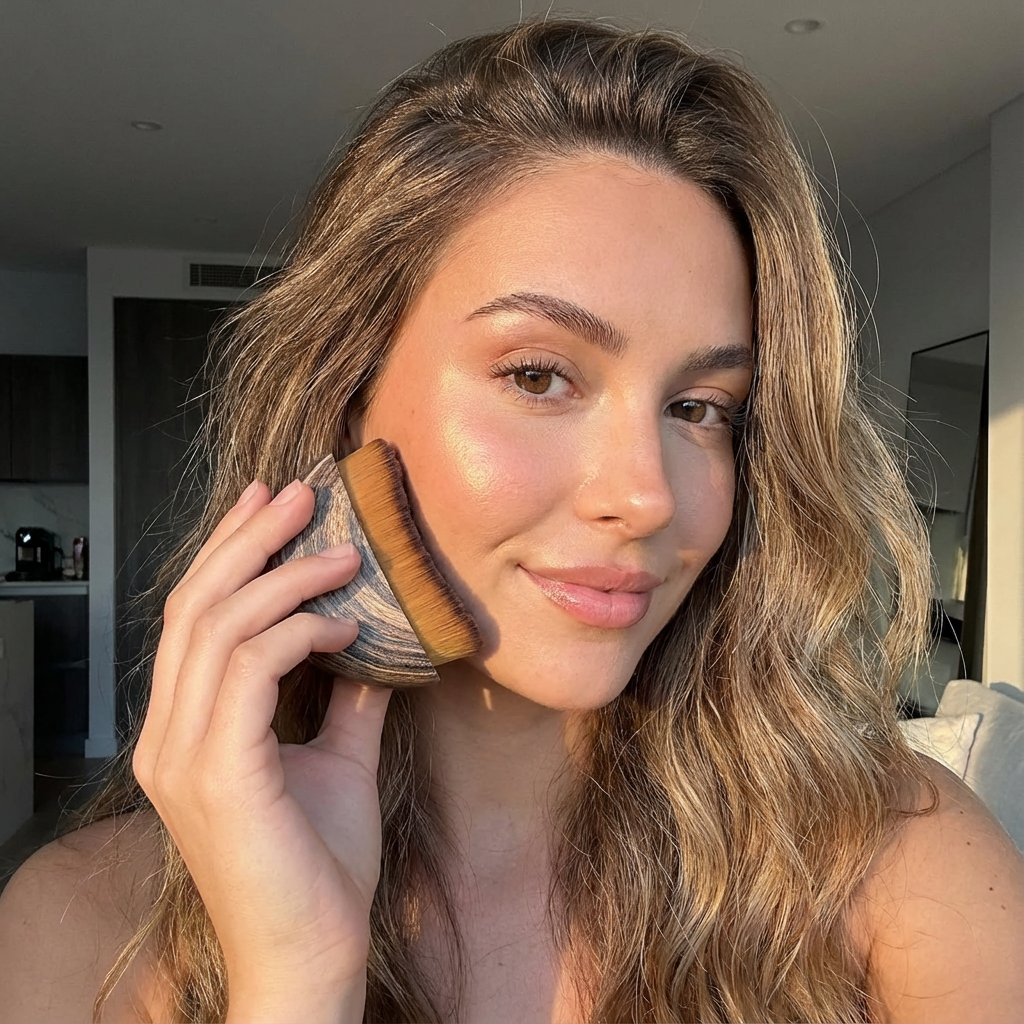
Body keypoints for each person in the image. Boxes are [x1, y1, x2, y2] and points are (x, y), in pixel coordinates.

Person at [1, 17, 1022, 1024]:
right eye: (537, 376)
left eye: (700, 407)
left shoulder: (908, 869)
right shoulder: (81, 932)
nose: (648, 496)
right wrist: (296, 979)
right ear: (348, 396)